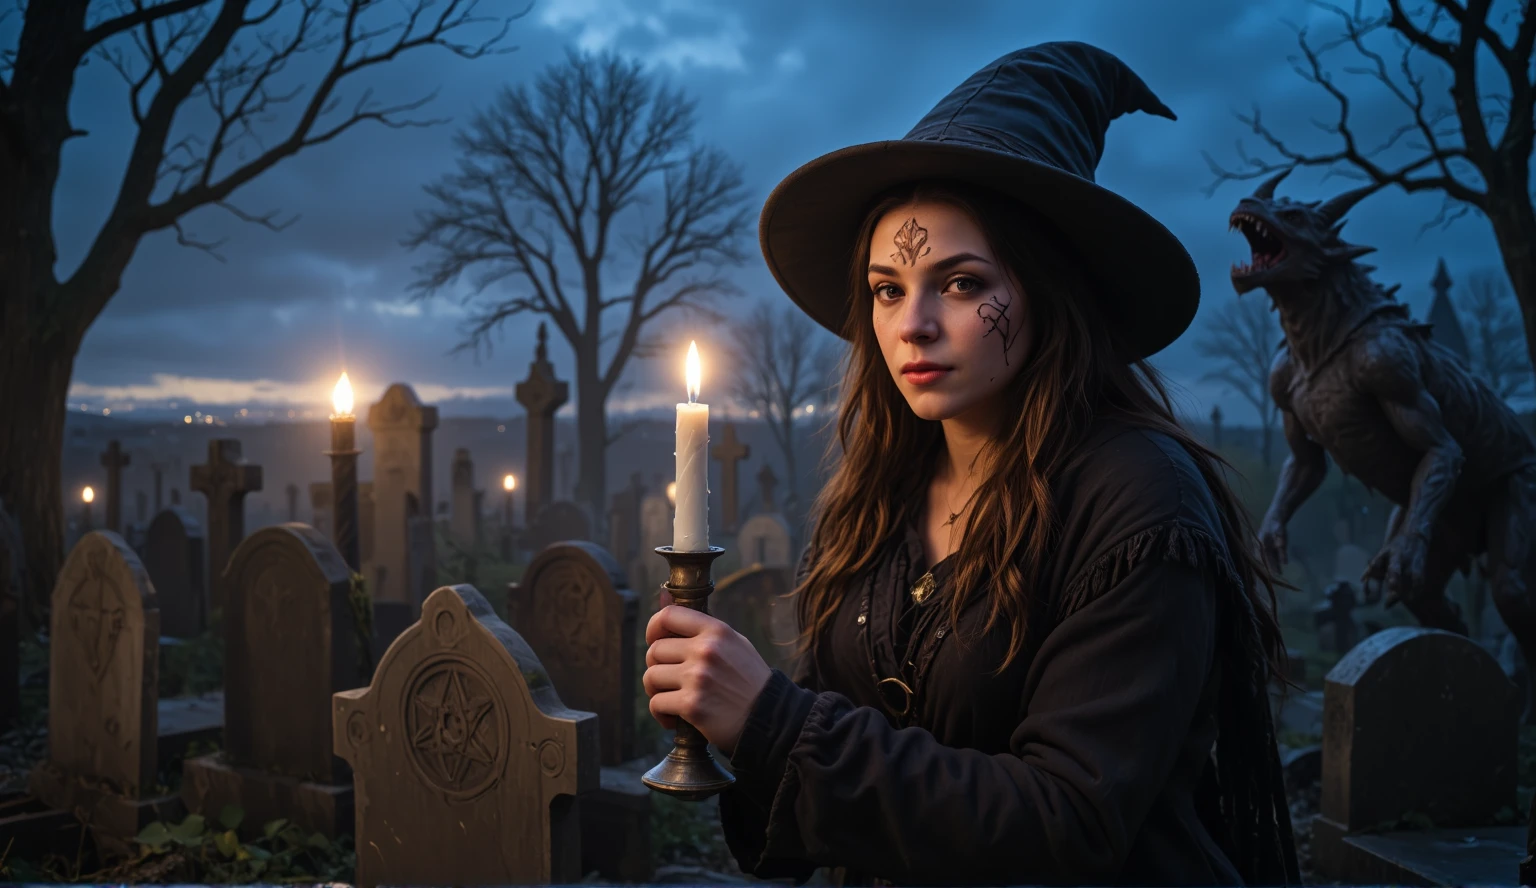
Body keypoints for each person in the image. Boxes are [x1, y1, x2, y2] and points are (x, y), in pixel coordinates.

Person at [641, 41, 1300, 887]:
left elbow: (1070, 821)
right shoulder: (878, 499)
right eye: (887, 289)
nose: (912, 324)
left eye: (958, 283)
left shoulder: (1140, 502)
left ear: (1047, 292)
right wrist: (725, 720)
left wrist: (772, 723)